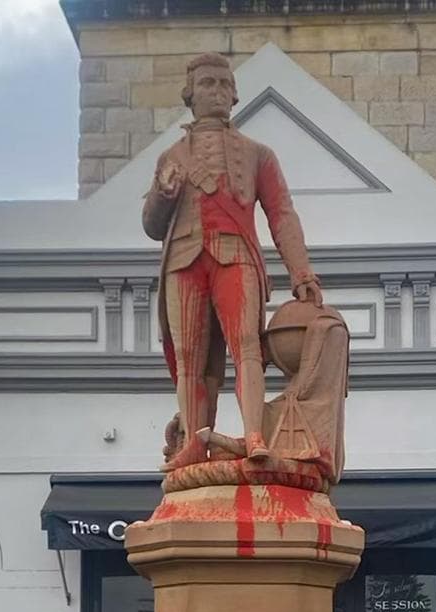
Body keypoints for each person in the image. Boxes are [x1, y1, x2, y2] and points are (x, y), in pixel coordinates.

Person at [143, 52, 323, 471]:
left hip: (235, 254)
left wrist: (301, 271)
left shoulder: (258, 153)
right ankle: (192, 440)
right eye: (208, 84)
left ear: (235, 94)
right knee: (189, 357)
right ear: (191, 94)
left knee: (247, 348)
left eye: (225, 85)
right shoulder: (170, 157)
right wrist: (163, 194)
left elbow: (281, 214)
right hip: (183, 260)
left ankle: (255, 434)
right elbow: (152, 226)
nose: (218, 92)